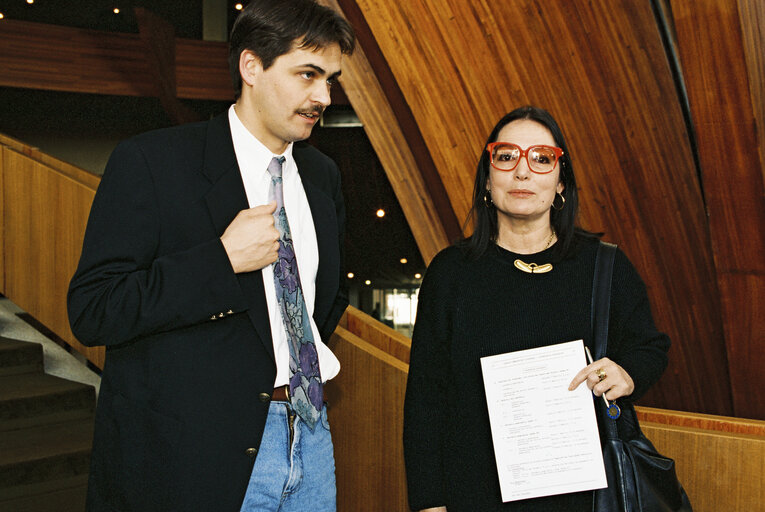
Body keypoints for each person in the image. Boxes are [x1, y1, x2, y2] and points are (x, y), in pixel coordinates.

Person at [67, 1, 354, 510]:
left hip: (310, 436)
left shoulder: (322, 175)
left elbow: (324, 300)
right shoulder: (153, 162)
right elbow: (95, 309)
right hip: (195, 455)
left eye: (330, 79)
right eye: (307, 75)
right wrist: (219, 261)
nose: (323, 96)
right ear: (251, 67)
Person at [403, 106, 670, 512]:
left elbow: (650, 347)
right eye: (507, 156)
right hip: (475, 496)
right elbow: (425, 400)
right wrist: (429, 503)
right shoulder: (451, 272)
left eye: (542, 158)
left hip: (584, 498)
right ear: (487, 180)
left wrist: (625, 372)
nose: (522, 172)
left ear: (561, 183)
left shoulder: (604, 265)